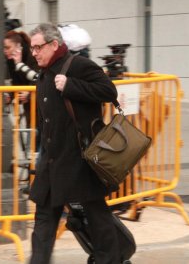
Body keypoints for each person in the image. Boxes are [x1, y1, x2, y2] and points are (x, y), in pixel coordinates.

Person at [27, 23, 123, 264]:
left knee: (96, 215)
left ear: (54, 45)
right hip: (51, 159)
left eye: (38, 47)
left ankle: (108, 259)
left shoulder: (78, 65)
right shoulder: (44, 73)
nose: (34, 53)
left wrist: (71, 86)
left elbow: (108, 91)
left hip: (79, 158)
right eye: (32, 48)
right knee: (44, 218)